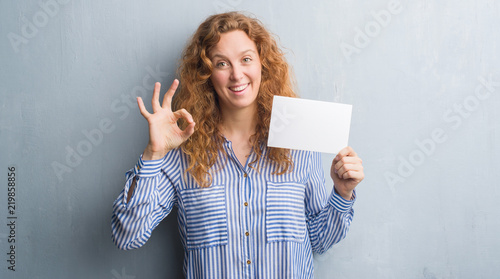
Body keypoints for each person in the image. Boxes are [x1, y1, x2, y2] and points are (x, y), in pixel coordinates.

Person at [111, 11, 364, 279]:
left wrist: (342, 193)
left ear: (262, 64)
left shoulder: (300, 143)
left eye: (246, 59)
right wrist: (154, 154)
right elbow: (128, 236)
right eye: (222, 64)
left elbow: (319, 241)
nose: (237, 74)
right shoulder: (182, 153)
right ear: (206, 74)